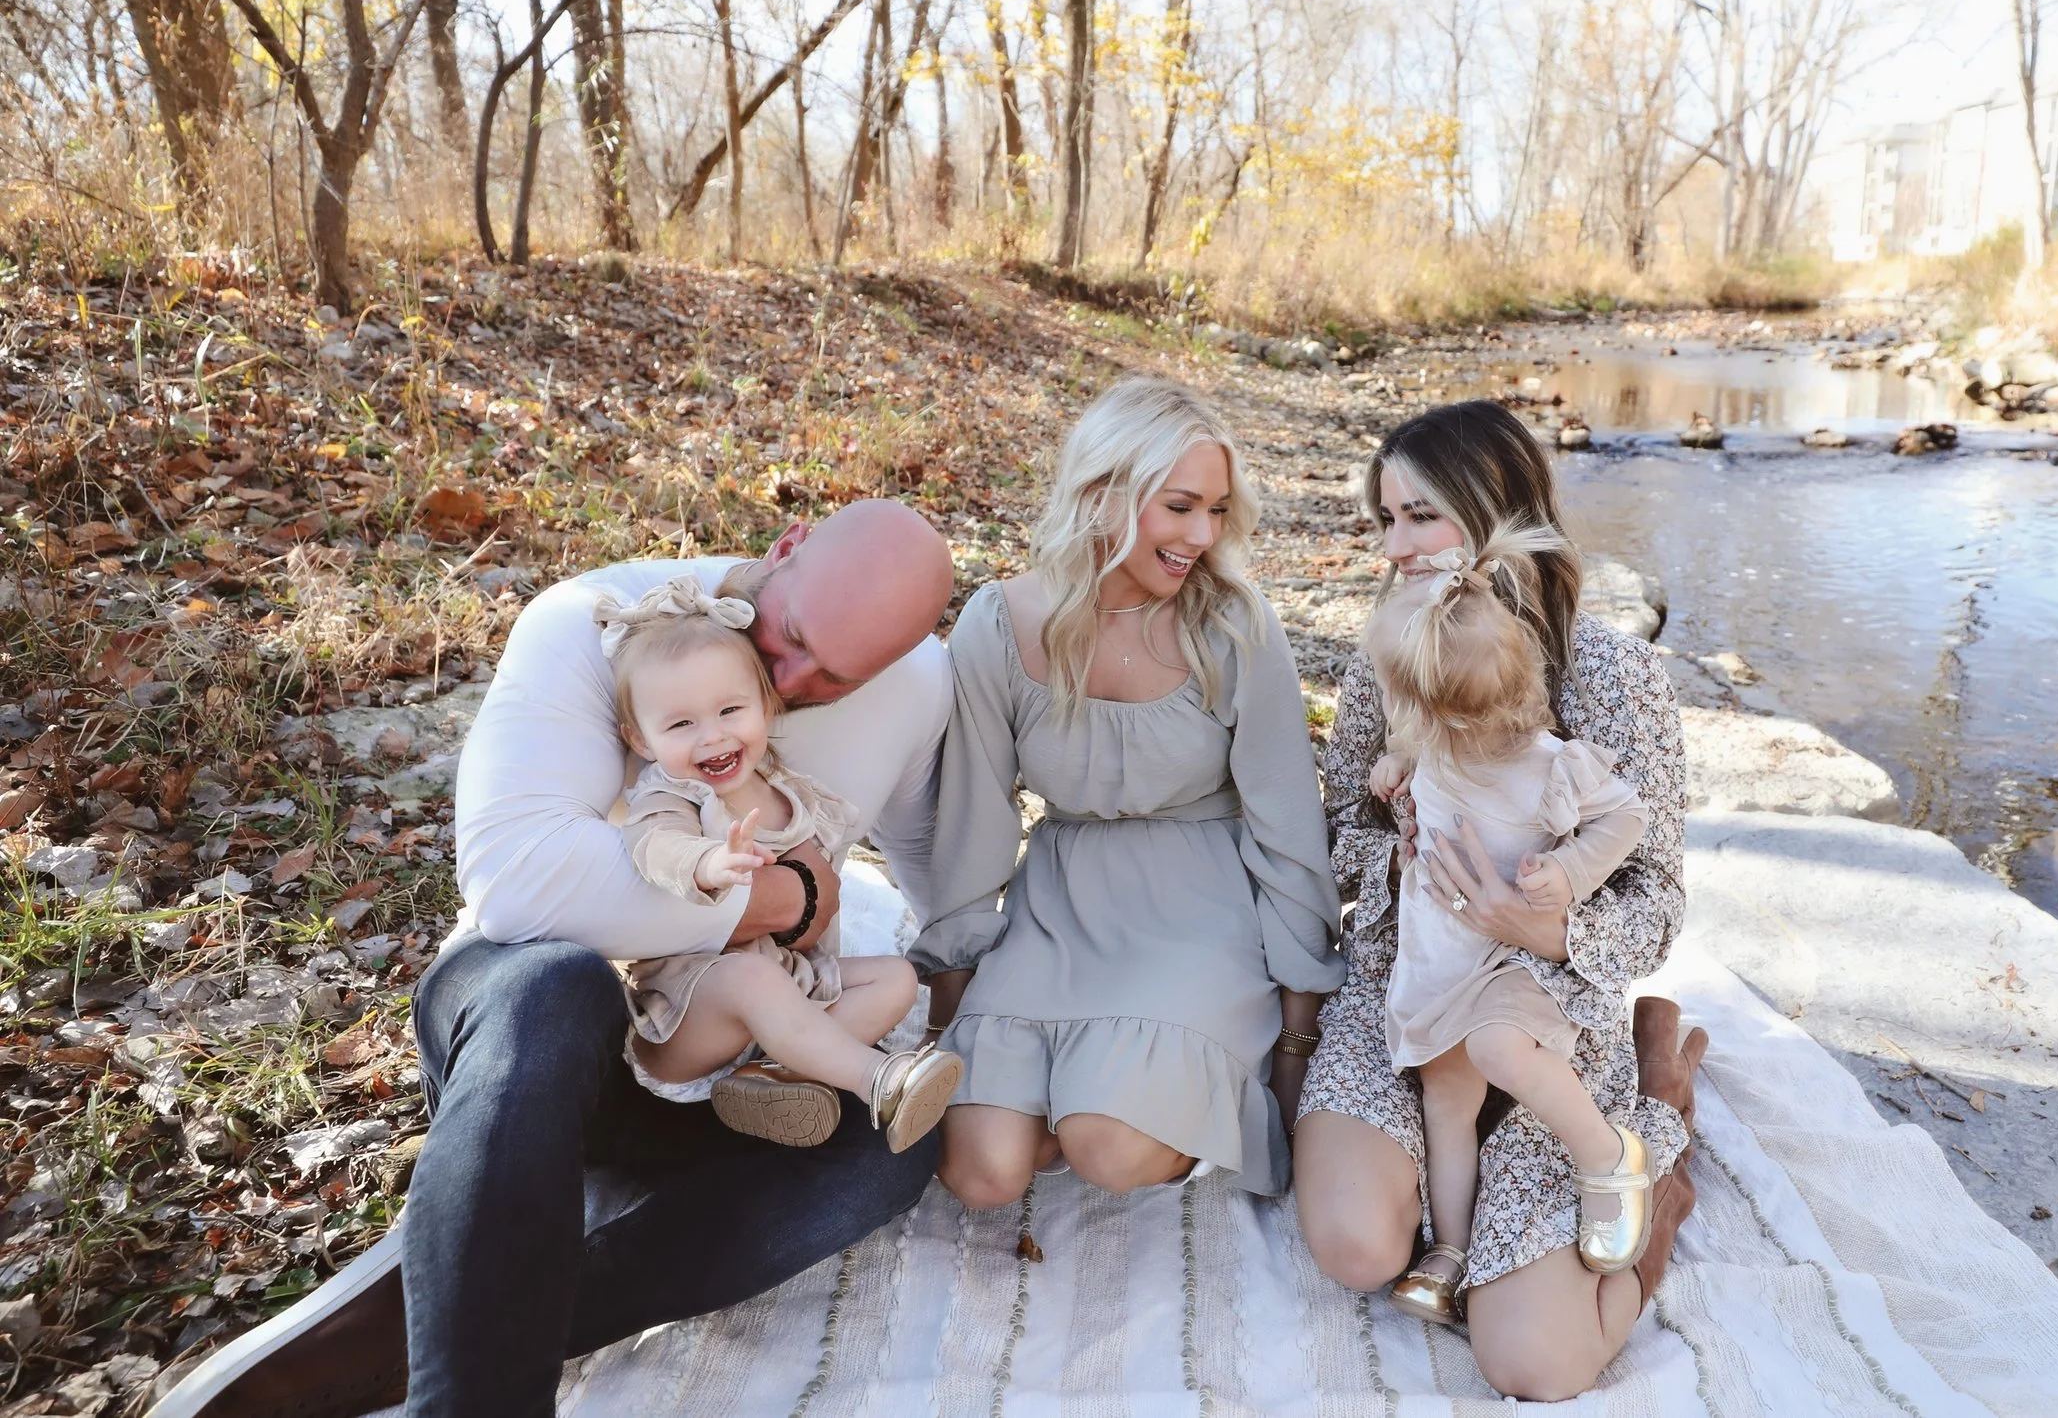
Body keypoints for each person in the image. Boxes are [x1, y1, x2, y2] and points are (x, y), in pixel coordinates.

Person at [149, 500, 957, 1418]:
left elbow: (940, 858)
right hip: (555, 1049)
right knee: (551, 980)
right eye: (795, 636)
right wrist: (789, 898)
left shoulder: (918, 683)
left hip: (744, 1076)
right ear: (787, 546)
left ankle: (441, 1328)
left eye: (836, 675)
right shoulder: (596, 623)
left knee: (894, 1147)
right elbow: (519, 883)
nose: (794, 675)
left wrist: (984, 986)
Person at [1294, 400, 1709, 1403]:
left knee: (1531, 1361)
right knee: (1354, 1248)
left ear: (1496, 508)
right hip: (1412, 986)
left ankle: (1655, 1128)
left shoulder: (1610, 669)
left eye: (1421, 516)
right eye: (1385, 520)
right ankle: (1442, 1223)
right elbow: (1340, 826)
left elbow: (1656, 895)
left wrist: (1548, 922)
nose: (1397, 546)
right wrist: (1393, 850)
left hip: (1544, 1014)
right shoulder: (1390, 646)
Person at [915, 378, 1343, 1207]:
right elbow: (973, 823)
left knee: (1107, 1146)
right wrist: (947, 1018)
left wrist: (1295, 1038)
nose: (1202, 535)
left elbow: (1289, 826)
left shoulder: (1233, 626)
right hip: (1060, 906)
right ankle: (1079, 1085)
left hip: (1200, 908)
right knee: (980, 1171)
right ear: (1102, 492)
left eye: (1217, 510)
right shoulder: (998, 625)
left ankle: (1131, 1098)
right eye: (1180, 505)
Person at [1356, 525, 1655, 1327]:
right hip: (1443, 961)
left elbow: (1627, 818)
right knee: (1445, 1101)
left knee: (1494, 1047)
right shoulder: (1436, 741)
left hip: (1515, 964)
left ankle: (1608, 1155)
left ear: (1441, 709)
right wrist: (1395, 767)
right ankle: (1450, 1246)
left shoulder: (1548, 768)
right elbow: (1408, 749)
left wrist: (1569, 871)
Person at [594, 577, 961, 1149]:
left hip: (783, 996)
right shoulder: (674, 792)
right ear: (640, 739)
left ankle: (772, 1080)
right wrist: (707, 862)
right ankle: (877, 1079)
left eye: (729, 710)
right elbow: (654, 843)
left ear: (765, 706)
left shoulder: (786, 788)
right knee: (750, 977)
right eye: (681, 724)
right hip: (692, 1015)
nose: (711, 736)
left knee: (896, 978)